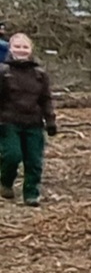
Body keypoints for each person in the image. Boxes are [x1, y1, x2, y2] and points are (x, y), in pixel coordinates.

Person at [0, 31, 56, 205]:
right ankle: (5, 182)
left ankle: (31, 194)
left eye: (25, 47)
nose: (21, 50)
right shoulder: (3, 72)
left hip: (34, 123)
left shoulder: (39, 74)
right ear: (10, 48)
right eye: (17, 46)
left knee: (34, 161)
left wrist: (51, 120)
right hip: (8, 122)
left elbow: (45, 99)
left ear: (31, 49)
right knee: (12, 155)